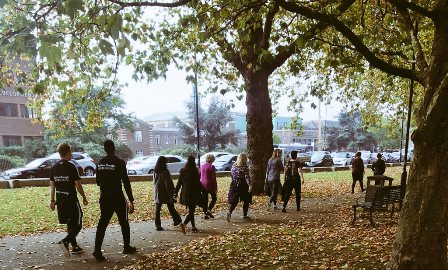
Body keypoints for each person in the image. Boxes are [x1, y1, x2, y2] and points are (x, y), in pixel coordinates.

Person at [92, 140, 136, 261]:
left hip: (104, 197)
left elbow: (97, 182)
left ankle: (97, 250)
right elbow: (126, 182)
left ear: (105, 149)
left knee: (102, 224)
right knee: (124, 222)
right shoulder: (119, 162)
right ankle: (126, 246)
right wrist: (131, 200)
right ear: (114, 148)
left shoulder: (100, 163)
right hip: (117, 197)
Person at [49, 143, 88, 257]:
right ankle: (65, 241)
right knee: (78, 223)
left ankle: (74, 246)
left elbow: (52, 186)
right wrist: (84, 197)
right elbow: (78, 185)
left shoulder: (54, 167)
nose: (71, 154)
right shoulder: (71, 166)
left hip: (60, 200)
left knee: (70, 222)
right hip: (71, 200)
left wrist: (52, 201)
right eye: (70, 152)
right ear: (67, 152)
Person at [153, 156, 186, 234]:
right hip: (165, 192)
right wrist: (172, 194)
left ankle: (158, 225)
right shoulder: (165, 171)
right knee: (171, 207)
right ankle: (178, 221)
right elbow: (168, 184)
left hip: (157, 191)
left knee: (157, 209)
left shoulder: (155, 170)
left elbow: (155, 182)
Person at [175, 155, 204, 233]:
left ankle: (193, 226)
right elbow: (198, 183)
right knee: (192, 210)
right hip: (194, 193)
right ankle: (185, 224)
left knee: (191, 211)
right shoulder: (195, 171)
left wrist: (176, 192)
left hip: (185, 193)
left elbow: (179, 183)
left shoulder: (183, 170)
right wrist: (203, 191)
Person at [226, 153, 252, 222]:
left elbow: (231, 174)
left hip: (234, 183)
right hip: (243, 184)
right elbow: (247, 177)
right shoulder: (245, 167)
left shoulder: (234, 165)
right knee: (246, 200)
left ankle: (230, 212)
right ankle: (245, 215)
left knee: (235, 200)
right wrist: (250, 185)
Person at [200, 154, 217, 219]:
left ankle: (206, 214)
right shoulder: (212, 167)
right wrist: (215, 187)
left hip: (203, 184)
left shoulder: (202, 166)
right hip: (209, 184)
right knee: (214, 198)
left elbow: (200, 175)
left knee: (205, 200)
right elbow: (213, 178)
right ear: (212, 159)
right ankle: (208, 210)